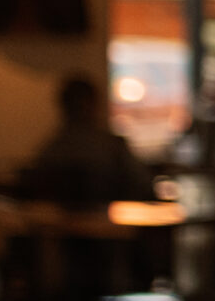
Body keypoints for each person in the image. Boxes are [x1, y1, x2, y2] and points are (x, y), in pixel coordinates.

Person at [19, 75, 156, 206]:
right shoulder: (112, 146)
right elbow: (143, 184)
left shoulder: (49, 151)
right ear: (94, 104)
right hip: (108, 225)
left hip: (58, 228)